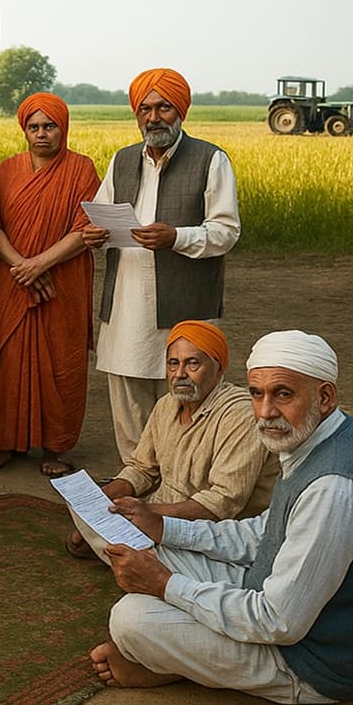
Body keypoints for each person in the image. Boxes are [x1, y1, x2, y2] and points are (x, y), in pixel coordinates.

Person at [89, 330, 353, 704]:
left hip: (317, 662)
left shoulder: (334, 490)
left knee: (132, 619)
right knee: (146, 547)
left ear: (324, 397)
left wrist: (164, 585)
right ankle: (180, 657)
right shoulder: (317, 437)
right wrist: (164, 527)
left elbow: (279, 621)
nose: (265, 412)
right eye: (257, 394)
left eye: (283, 394)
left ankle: (176, 664)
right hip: (270, 586)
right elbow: (263, 533)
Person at [82, 68, 240, 464]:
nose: (153, 118)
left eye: (163, 107)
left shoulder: (211, 159)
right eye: (145, 109)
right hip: (126, 303)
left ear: (181, 111)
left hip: (184, 302)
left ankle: (177, 481)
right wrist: (95, 234)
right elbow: (102, 213)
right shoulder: (121, 160)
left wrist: (177, 237)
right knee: (127, 395)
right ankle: (135, 476)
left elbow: (226, 231)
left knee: (184, 395)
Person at [65, 320, 277, 563]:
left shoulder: (241, 416)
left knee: (130, 561)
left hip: (212, 531)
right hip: (160, 515)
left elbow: (221, 503)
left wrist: (146, 514)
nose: (180, 374)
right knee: (84, 525)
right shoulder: (166, 405)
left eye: (193, 363)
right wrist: (103, 500)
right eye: (173, 363)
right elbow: (142, 469)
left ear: (219, 368)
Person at [0, 92, 99, 477]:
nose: (42, 133)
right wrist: (23, 266)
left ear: (63, 128)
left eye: (50, 126)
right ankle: (5, 441)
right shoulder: (7, 171)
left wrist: (42, 263)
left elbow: (86, 228)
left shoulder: (81, 169)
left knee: (60, 358)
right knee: (7, 360)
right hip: (11, 279)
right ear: (24, 130)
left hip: (62, 281)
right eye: (34, 127)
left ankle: (56, 446)